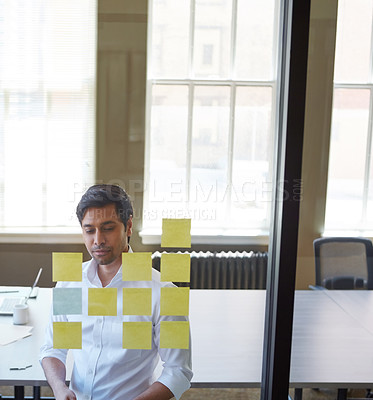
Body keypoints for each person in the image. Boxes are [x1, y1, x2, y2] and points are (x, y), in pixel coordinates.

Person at [40, 184, 193, 400]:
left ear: (128, 226)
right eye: (89, 230)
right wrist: (59, 388)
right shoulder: (69, 284)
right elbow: (54, 350)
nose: (98, 240)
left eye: (108, 228)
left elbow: (179, 371)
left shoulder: (164, 292)